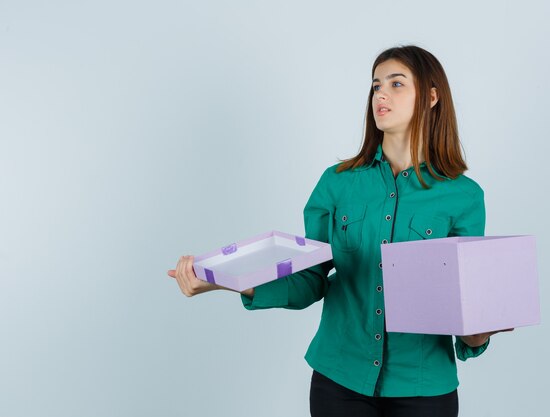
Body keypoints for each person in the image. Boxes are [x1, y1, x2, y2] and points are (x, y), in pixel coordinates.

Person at [168, 45, 512, 417]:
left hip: (425, 387)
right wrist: (227, 280)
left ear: (431, 96)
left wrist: (479, 332)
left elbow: (464, 306)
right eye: (376, 85)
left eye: (396, 84)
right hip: (340, 382)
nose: (380, 94)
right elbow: (310, 280)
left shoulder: (463, 196)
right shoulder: (336, 185)